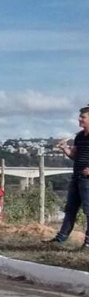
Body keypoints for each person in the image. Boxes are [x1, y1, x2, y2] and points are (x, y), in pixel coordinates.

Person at [45, 106, 89, 250]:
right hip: (77, 176)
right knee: (70, 209)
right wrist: (65, 149)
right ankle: (61, 237)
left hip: (87, 179)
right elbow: (75, 155)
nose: (80, 119)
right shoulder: (80, 136)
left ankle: (88, 243)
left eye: (83, 117)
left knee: (88, 211)